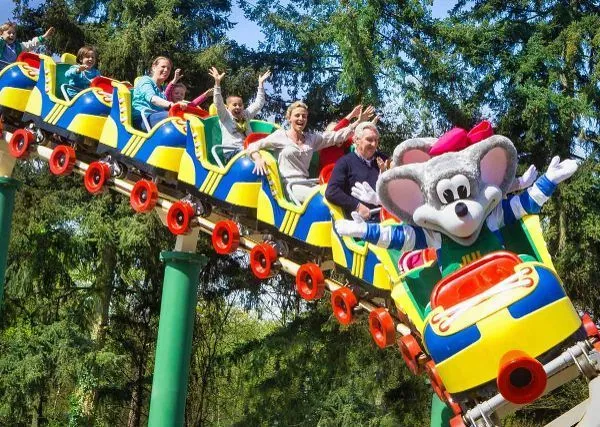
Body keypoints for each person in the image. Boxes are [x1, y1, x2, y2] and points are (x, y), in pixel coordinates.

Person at [247, 101, 368, 204]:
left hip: (306, 183)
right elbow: (253, 146)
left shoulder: (311, 139)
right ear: (289, 118)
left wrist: (358, 123)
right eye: (297, 115)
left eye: (304, 116)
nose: (301, 119)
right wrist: (257, 158)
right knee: (324, 199)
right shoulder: (280, 136)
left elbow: (336, 136)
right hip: (289, 186)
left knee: (335, 194)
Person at [325, 121, 387, 220]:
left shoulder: (382, 159)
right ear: (357, 140)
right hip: (360, 222)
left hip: (385, 216)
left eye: (376, 140)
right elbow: (332, 192)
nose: (374, 144)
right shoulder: (345, 162)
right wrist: (357, 206)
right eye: (369, 140)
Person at [208, 66, 271, 160]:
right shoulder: (225, 116)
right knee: (251, 153)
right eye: (234, 105)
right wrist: (217, 83)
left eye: (240, 105)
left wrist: (261, 84)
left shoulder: (246, 115)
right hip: (232, 152)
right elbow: (218, 102)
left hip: (248, 149)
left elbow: (259, 103)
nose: (238, 107)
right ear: (228, 107)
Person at [131, 56, 184, 130]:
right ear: (154, 67)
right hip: (143, 118)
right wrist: (171, 104)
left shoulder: (163, 89)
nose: (166, 70)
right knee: (174, 116)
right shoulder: (145, 80)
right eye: (163, 66)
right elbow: (153, 99)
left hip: (157, 117)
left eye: (168, 68)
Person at [319, 104, 375, 170]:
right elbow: (337, 131)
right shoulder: (325, 145)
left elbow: (358, 136)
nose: (340, 135)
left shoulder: (345, 143)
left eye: (341, 134)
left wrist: (369, 126)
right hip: (326, 177)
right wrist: (352, 115)